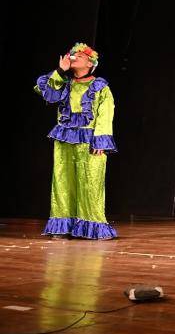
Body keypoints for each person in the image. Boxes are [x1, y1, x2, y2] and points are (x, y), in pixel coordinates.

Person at [35, 43, 117, 239]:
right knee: (63, 182)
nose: (73, 56)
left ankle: (91, 227)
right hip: (64, 139)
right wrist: (60, 70)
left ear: (90, 63)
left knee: (90, 182)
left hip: (90, 141)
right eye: (72, 54)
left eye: (79, 55)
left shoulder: (100, 87)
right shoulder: (64, 83)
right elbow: (46, 92)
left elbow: (106, 114)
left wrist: (100, 141)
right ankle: (63, 226)